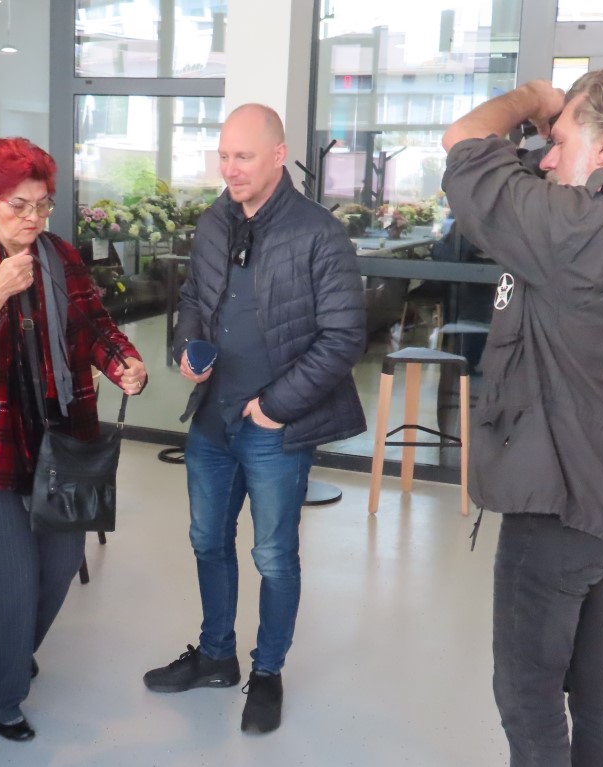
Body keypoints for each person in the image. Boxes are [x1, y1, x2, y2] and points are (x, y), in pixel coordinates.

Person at [440, 69, 603, 766]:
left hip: (559, 508)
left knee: (528, 695)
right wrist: (568, 117)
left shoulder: (583, 234)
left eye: (561, 141)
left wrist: (534, 98)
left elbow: (463, 141)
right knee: (596, 680)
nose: (547, 159)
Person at [142, 104, 367, 736]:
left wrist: (274, 407)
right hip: (211, 420)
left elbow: (343, 337)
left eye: (242, 156)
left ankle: (267, 672)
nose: (230, 169)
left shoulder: (319, 232)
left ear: (277, 156)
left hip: (275, 428)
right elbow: (193, 299)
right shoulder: (215, 222)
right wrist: (188, 348)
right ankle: (217, 656)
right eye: (223, 156)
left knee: (273, 555)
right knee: (207, 540)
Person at [0, 136, 147, 742]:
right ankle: (0, 695)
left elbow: (94, 324)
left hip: (61, 436)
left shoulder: (61, 256)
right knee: (14, 578)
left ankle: (15, 650)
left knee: (61, 562)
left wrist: (123, 362)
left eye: (42, 204)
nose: (33, 218)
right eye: (18, 205)